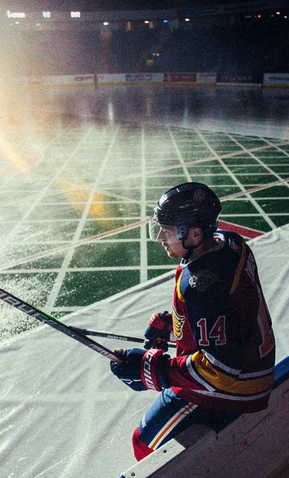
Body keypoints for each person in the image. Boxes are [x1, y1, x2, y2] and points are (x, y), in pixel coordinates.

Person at [110, 182, 276, 461]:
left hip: (237, 386)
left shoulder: (202, 286)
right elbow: (234, 314)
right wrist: (176, 324)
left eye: (168, 231)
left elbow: (221, 369)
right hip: (254, 360)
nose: (160, 238)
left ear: (195, 233)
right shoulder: (230, 241)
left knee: (143, 443)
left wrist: (153, 369)